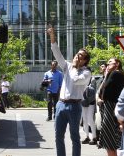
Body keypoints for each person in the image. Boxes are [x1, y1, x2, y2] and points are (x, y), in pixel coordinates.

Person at [47, 27, 92, 156]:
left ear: (85, 60)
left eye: (81, 56)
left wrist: (74, 67)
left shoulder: (86, 72)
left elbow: (76, 80)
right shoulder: (67, 65)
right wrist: (52, 35)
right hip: (61, 104)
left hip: (74, 106)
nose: (77, 57)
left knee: (75, 137)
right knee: (58, 136)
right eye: (77, 54)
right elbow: (56, 52)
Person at [97, 58, 124, 156]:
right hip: (110, 108)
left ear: (117, 64)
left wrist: (106, 76)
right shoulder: (116, 74)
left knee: (110, 141)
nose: (107, 64)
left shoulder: (116, 74)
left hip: (111, 108)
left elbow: (104, 91)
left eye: (110, 62)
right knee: (111, 140)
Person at [81, 73, 97, 145]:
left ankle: (94, 137)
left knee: (90, 119)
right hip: (83, 102)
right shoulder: (81, 79)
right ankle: (87, 136)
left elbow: (93, 90)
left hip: (91, 102)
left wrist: (86, 87)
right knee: (85, 120)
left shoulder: (92, 79)